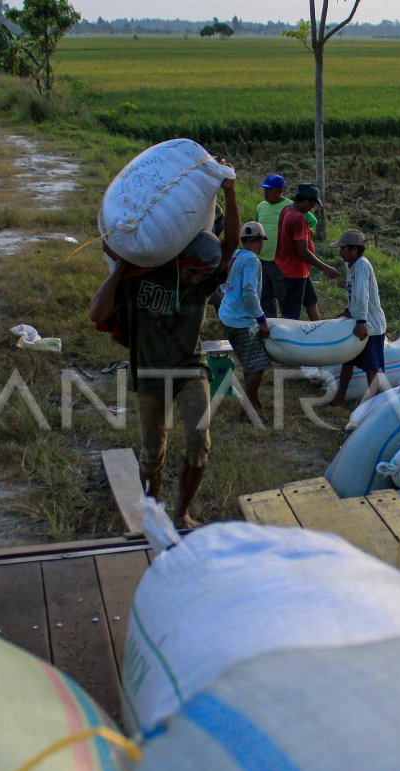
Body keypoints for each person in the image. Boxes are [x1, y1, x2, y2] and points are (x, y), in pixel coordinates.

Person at [88, 173, 240, 531]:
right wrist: (121, 268)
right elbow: (97, 312)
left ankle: (181, 513)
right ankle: (154, 512)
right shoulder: (141, 278)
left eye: (204, 274)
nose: (197, 279)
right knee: (153, 452)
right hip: (149, 372)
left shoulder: (203, 283)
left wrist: (230, 191)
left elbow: (231, 244)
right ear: (178, 260)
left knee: (199, 440)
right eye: (192, 272)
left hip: (190, 368)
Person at [218, 221, 271, 419]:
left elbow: (225, 284)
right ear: (259, 241)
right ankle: (247, 411)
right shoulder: (252, 260)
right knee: (258, 365)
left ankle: (254, 401)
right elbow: (249, 291)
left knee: (250, 362)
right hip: (241, 321)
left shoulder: (236, 256)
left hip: (227, 316)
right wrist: (262, 319)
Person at [331, 229, 388, 407]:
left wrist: (361, 322)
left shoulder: (362, 265)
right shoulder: (351, 266)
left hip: (370, 325)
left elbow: (363, 294)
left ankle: (372, 404)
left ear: (354, 250)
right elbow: (354, 294)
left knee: (372, 367)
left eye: (343, 248)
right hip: (359, 321)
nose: (340, 252)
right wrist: (349, 311)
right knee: (348, 360)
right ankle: (340, 398)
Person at [274, 183, 338, 321]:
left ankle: (319, 331)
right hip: (294, 273)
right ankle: (288, 340)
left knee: (311, 301)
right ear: (307, 201)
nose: (312, 209)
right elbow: (303, 252)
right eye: (312, 204)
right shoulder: (298, 218)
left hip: (297, 270)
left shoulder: (286, 210)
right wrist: (326, 268)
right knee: (291, 314)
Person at [254, 174, 292, 318]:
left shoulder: (289, 206)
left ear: (279, 190)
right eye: (265, 190)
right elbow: (257, 228)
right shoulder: (261, 206)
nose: (265, 193)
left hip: (281, 261)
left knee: (283, 295)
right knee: (265, 296)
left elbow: (311, 222)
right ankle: (270, 325)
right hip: (263, 258)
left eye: (269, 190)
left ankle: (288, 324)